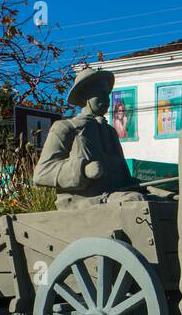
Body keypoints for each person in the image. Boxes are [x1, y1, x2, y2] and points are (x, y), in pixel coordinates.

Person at [34, 67, 142, 209]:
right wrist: (82, 170)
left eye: (107, 94)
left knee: (165, 198)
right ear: (84, 96)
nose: (106, 99)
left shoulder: (110, 132)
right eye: (100, 93)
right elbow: (42, 173)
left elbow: (124, 180)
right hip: (83, 204)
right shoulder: (66, 128)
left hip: (115, 197)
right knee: (135, 201)